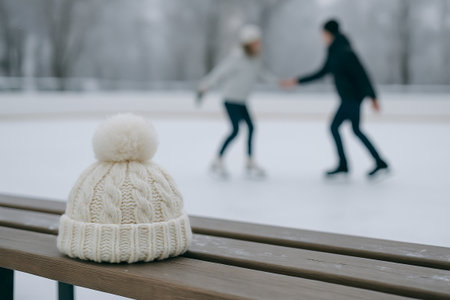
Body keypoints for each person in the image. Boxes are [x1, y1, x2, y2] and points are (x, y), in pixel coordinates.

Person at [281, 19, 389, 178]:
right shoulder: (334, 50)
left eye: (323, 33)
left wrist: (373, 97)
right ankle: (374, 162)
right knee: (352, 130)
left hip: (351, 98)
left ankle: (350, 164)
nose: (322, 37)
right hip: (348, 98)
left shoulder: (344, 51)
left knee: (339, 128)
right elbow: (322, 72)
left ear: (328, 33)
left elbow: (362, 74)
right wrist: (297, 81)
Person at [197, 25, 276, 178]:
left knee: (252, 127)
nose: (259, 45)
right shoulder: (236, 58)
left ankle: (250, 160)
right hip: (230, 99)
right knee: (235, 130)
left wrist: (278, 82)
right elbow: (219, 73)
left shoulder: (255, 59)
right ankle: (218, 160)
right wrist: (205, 86)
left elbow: (262, 75)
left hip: (242, 100)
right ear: (248, 43)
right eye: (256, 42)